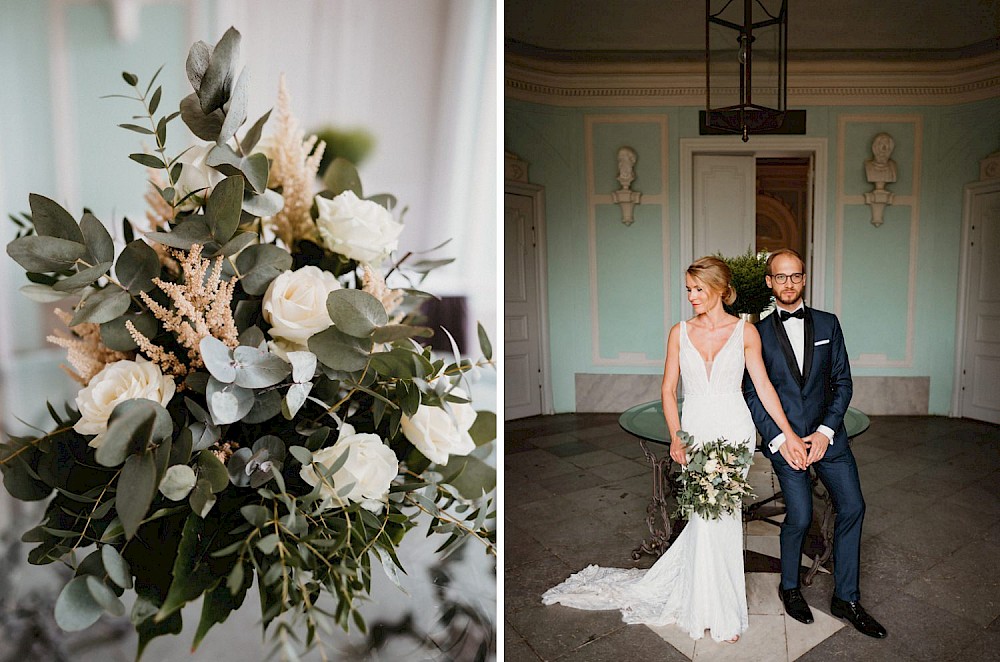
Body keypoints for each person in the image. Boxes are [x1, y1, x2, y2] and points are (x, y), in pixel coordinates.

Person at [542, 256, 804, 644]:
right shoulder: (678, 332)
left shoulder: (746, 332)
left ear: (719, 290)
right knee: (703, 516)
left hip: (734, 430)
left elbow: (764, 388)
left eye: (698, 289)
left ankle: (722, 610)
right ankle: (703, 602)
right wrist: (677, 434)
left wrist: (789, 434)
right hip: (696, 430)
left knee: (726, 517)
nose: (692, 297)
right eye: (689, 290)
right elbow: (667, 390)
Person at [743, 248, 887, 638]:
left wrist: (825, 432)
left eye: (795, 276)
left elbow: (843, 382)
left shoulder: (828, 324)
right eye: (780, 277)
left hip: (829, 438)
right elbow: (753, 393)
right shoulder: (754, 332)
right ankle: (789, 587)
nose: (788, 283)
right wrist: (778, 439)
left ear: (804, 279)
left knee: (853, 506)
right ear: (769, 283)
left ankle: (846, 596)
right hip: (787, 441)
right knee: (801, 516)